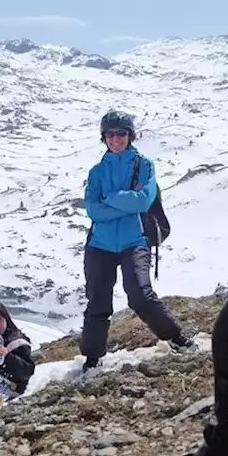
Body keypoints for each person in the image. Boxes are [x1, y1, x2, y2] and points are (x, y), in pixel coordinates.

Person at [80, 110, 196, 369]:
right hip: (100, 244)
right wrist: (126, 201)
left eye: (121, 134)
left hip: (135, 240)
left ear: (130, 136)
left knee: (140, 295)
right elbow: (92, 210)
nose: (116, 139)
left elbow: (143, 200)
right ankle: (92, 357)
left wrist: (110, 197)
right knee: (98, 300)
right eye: (110, 134)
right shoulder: (97, 171)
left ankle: (177, 338)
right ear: (104, 138)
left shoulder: (144, 165)